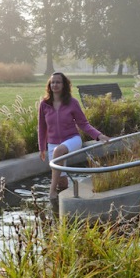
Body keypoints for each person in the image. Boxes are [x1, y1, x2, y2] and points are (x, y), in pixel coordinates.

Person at [38, 72, 110, 204]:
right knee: (62, 180)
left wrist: (98, 135)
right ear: (49, 85)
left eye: (58, 82)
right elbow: (42, 127)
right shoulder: (44, 104)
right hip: (52, 143)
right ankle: (62, 203)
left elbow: (83, 124)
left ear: (64, 84)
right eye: (52, 82)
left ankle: (51, 191)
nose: (55, 84)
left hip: (72, 139)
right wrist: (42, 147)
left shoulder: (72, 103)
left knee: (58, 152)